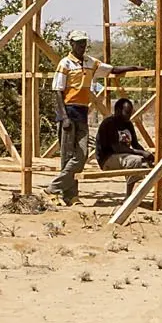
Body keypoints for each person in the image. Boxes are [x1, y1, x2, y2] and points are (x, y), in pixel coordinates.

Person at [48, 34, 132, 206]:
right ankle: (70, 195)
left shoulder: (90, 62)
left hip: (82, 110)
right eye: (78, 44)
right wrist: (63, 117)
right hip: (69, 110)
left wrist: (133, 68)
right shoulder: (65, 64)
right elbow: (57, 91)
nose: (82, 47)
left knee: (81, 154)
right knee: (67, 155)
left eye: (84, 44)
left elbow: (112, 70)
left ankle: (56, 186)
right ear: (71, 44)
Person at [94, 97, 152, 197]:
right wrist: (141, 153)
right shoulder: (109, 123)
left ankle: (158, 197)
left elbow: (135, 144)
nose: (129, 116)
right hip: (107, 158)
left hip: (125, 155)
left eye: (130, 113)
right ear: (118, 111)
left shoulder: (128, 124)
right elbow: (117, 148)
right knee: (135, 161)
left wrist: (147, 155)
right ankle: (129, 197)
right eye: (127, 112)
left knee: (151, 164)